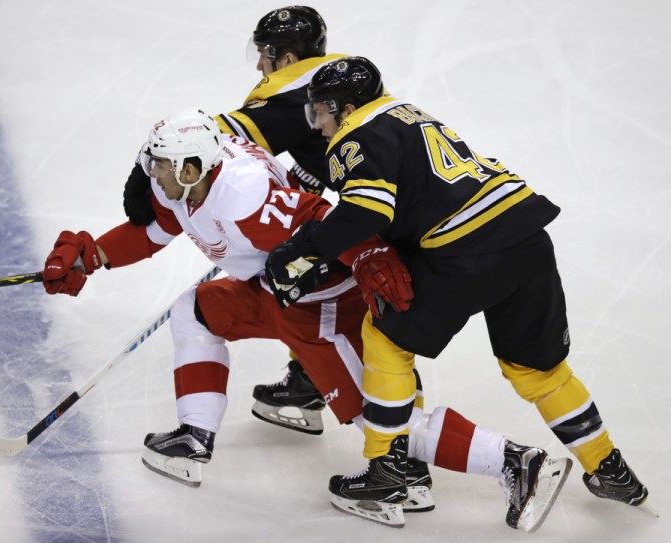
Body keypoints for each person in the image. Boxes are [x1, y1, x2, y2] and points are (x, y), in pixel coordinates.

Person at [42, 109, 571, 530]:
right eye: (152, 164)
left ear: (191, 169)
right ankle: (192, 439)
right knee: (198, 311)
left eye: (161, 167)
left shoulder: (246, 196)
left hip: (322, 306)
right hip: (276, 291)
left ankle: (516, 462)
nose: (153, 176)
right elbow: (155, 228)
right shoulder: (185, 177)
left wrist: (368, 257)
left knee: (380, 422)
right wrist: (93, 255)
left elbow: (319, 218)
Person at [265, 56, 650, 525]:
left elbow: (367, 211)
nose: (318, 125)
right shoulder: (407, 113)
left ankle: (387, 470)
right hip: (526, 238)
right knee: (539, 370)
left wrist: (302, 251)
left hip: (467, 252)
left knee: (384, 337)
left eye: (319, 113)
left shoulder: (355, 134)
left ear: (344, 107)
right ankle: (607, 466)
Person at [121, 5, 348, 438]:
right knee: (303, 279)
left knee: (352, 312)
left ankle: (400, 456)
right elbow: (332, 149)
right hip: (381, 209)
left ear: (286, 59)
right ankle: (309, 380)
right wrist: (311, 175)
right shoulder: (331, 78)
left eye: (266, 53)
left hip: (387, 224)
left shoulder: (290, 96)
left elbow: (211, 136)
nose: (260, 64)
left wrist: (144, 161)